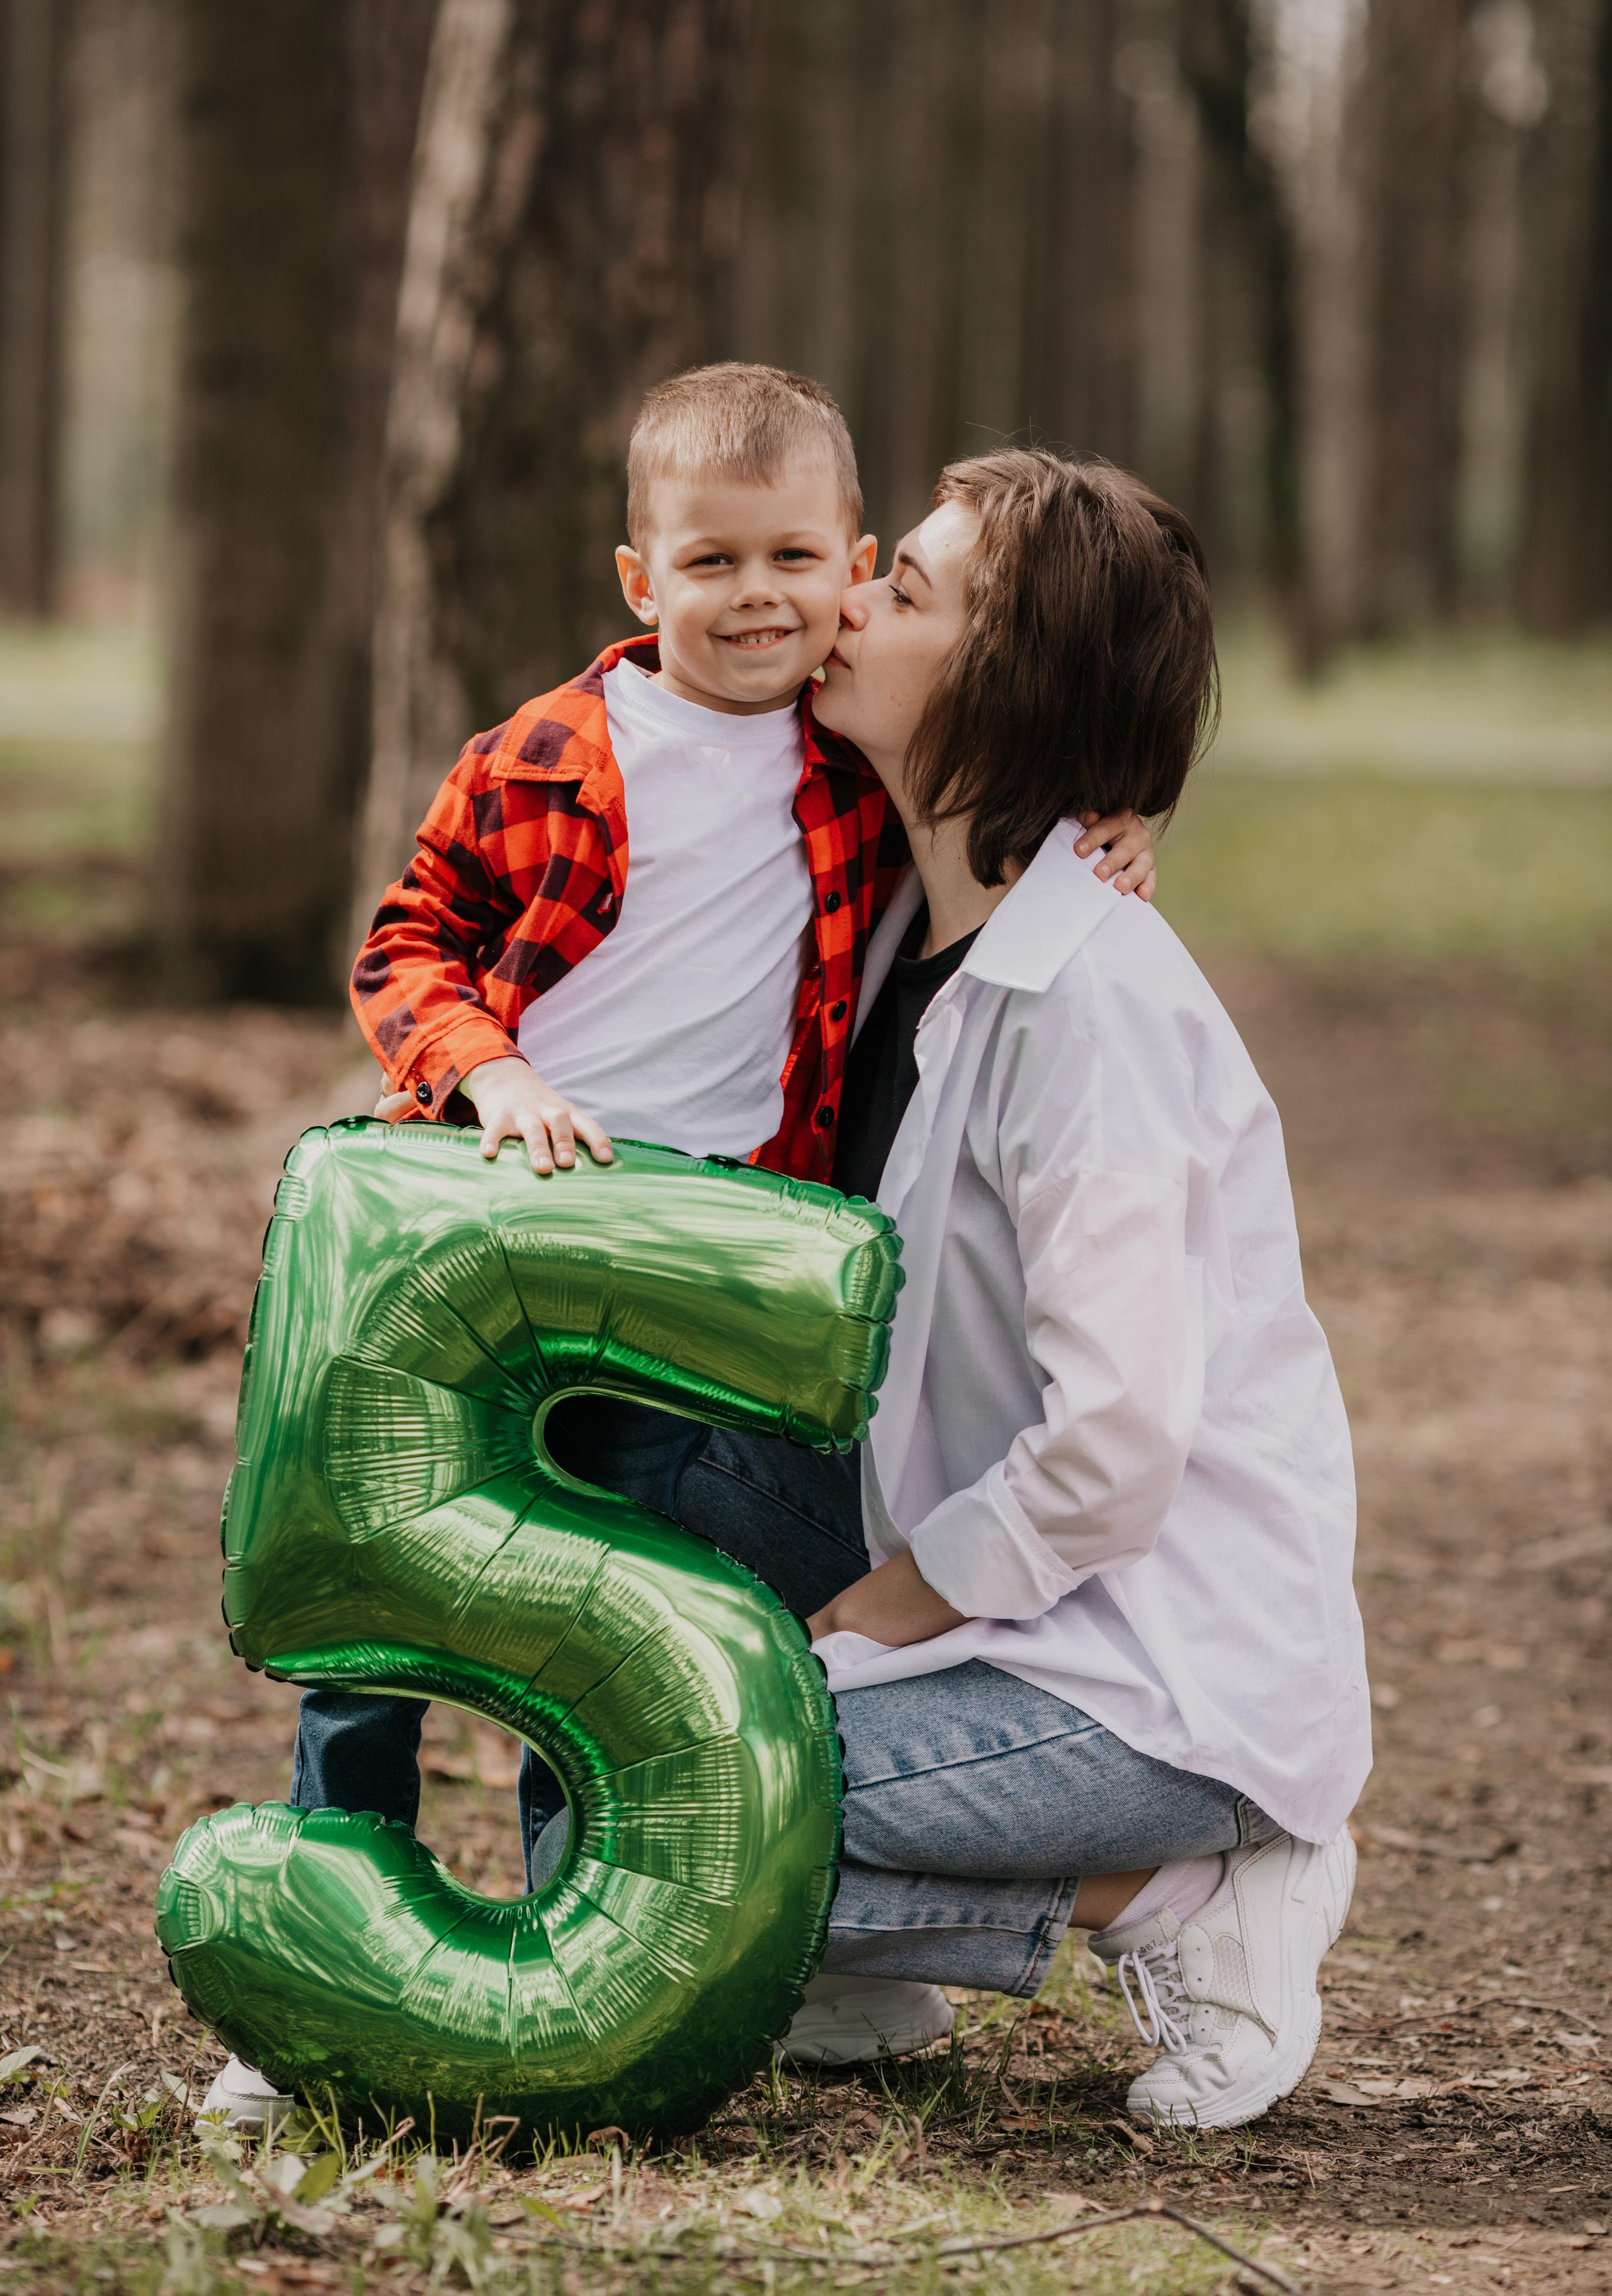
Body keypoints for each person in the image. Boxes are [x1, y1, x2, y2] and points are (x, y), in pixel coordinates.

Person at [201, 372, 1151, 2128]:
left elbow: (1005, 788)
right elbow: (406, 944)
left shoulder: (852, 765)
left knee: (660, 1591)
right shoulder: (549, 757)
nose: (758, 596)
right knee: (375, 1631)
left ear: (857, 571)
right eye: (709, 561)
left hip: (687, 1285)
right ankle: (315, 1965)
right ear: (639, 581)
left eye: (797, 556)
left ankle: (728, 1942)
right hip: (483, 1245)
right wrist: (480, 1068)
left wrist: (1118, 815)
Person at [525, 449, 1370, 2130]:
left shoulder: (1090, 1010)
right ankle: (867, 1955)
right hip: (984, 1560)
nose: (843, 600)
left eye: (904, 590)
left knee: (640, 1842)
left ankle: (1184, 1897)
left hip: (1151, 1663)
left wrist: (877, 1617)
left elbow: (1122, 1442)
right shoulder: (902, 911)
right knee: (593, 1736)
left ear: (1002, 682)